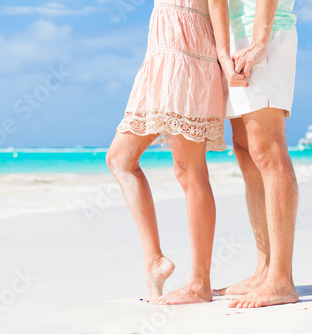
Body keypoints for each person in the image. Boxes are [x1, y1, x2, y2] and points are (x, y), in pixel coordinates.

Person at [106, 0, 247, 305]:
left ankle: (199, 283)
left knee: (191, 173)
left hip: (183, 55)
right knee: (121, 160)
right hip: (166, 54)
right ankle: (154, 261)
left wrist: (223, 56)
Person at [212, 0, 300, 308]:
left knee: (268, 150)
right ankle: (264, 270)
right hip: (238, 39)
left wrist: (260, 40)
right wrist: (223, 55)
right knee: (246, 152)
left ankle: (281, 280)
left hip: (267, 32)